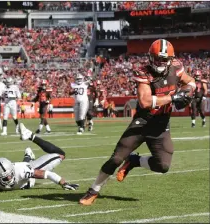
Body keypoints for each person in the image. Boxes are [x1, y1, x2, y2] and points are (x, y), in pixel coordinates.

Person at [79, 39, 196, 205]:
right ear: (150, 57)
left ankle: (135, 161)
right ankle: (93, 190)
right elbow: (145, 102)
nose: (160, 63)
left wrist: (189, 91)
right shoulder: (144, 72)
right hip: (143, 122)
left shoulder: (176, 66)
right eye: (157, 58)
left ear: (171, 59)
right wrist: (173, 97)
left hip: (161, 125)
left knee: (163, 165)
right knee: (116, 159)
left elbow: (190, 81)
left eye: (164, 59)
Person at [0, 123, 79, 193]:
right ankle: (28, 155)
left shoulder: (21, 171)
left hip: (29, 170)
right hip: (23, 171)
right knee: (26, 164)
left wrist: (63, 183)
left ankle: (30, 136)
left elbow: (46, 174)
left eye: (10, 174)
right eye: (5, 178)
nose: (9, 178)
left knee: (60, 154)